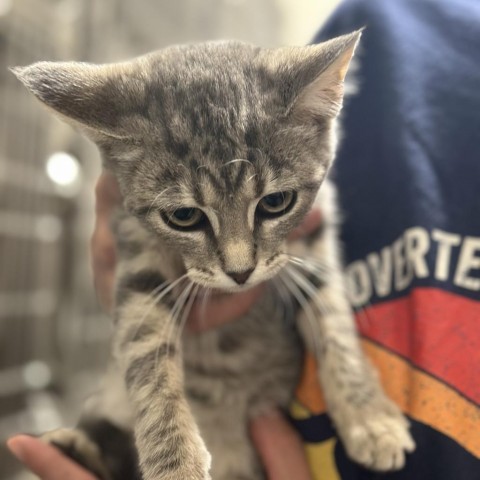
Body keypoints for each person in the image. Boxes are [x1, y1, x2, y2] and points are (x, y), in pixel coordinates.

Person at [8, 0, 480, 478]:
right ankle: (104, 445)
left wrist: (355, 392)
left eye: (273, 204)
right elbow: (138, 295)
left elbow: (319, 269)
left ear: (322, 116)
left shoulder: (311, 124)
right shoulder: (379, 19)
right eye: (186, 214)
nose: (239, 261)